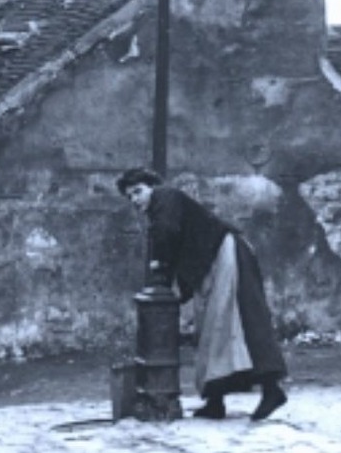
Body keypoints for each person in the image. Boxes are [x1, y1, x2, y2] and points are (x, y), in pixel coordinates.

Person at [116, 168, 289, 422]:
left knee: (245, 323)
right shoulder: (159, 212)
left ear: (152, 187)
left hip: (228, 254)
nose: (135, 199)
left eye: (138, 191)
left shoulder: (165, 197)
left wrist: (159, 267)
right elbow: (173, 240)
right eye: (130, 196)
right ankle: (215, 401)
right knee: (211, 334)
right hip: (211, 266)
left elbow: (168, 234)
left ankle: (272, 391)